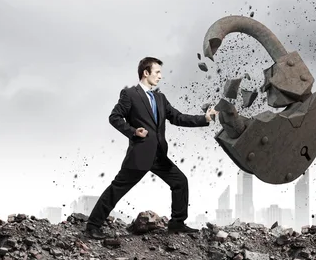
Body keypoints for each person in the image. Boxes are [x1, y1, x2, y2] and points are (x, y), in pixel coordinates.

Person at [85, 56, 219, 239]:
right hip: (140, 153)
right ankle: (93, 226)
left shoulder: (160, 98)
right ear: (146, 73)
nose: (160, 76)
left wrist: (205, 118)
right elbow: (114, 117)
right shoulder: (130, 94)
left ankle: (177, 223)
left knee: (180, 181)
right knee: (117, 188)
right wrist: (133, 131)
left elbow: (177, 117)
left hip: (159, 155)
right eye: (157, 72)